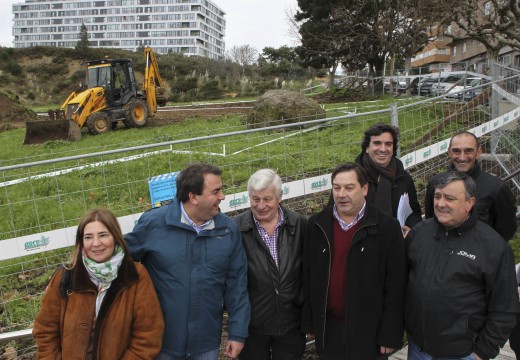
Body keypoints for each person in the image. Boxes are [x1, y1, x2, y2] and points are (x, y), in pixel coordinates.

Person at [125, 162, 250, 360]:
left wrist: (237, 332)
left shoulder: (228, 231)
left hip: (206, 343)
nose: (223, 196)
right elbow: (119, 262)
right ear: (193, 197)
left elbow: (237, 285)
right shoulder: (154, 224)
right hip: (161, 342)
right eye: (216, 191)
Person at [406, 171, 520, 360]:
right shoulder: (419, 234)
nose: (441, 204)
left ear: (470, 203)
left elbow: (505, 308)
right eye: (437, 196)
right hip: (417, 348)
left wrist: (482, 352)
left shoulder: (493, 247)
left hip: (463, 353)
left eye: (450, 198)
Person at [302, 162, 407, 359]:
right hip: (329, 329)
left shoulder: (387, 228)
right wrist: (310, 321)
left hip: (370, 331)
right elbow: (308, 276)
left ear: (365, 189)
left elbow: (396, 285)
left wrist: (390, 333)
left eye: (349, 188)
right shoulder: (317, 225)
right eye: (337, 187)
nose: (342, 194)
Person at [33, 208, 164, 359]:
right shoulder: (66, 276)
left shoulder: (135, 275)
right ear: (81, 241)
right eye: (88, 237)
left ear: (115, 237)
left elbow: (148, 335)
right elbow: (45, 330)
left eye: (103, 235)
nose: (96, 243)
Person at [234, 169, 306, 360]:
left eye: (267, 199)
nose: (261, 205)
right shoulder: (236, 229)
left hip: (291, 321)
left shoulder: (300, 225)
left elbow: (309, 271)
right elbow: (231, 277)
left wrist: (301, 303)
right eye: (255, 199)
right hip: (252, 325)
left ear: (280, 196)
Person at [424, 130, 517, 241]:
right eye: (456, 151)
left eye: (468, 151)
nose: (462, 157)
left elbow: (505, 231)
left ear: (478, 152)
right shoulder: (435, 183)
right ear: (449, 152)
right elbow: (431, 220)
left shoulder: (497, 188)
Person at [355, 123, 422, 236]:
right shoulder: (353, 177)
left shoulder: (403, 177)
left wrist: (411, 229)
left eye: (388, 144)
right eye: (377, 143)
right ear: (367, 148)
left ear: (393, 148)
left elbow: (414, 212)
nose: (383, 149)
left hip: (396, 243)